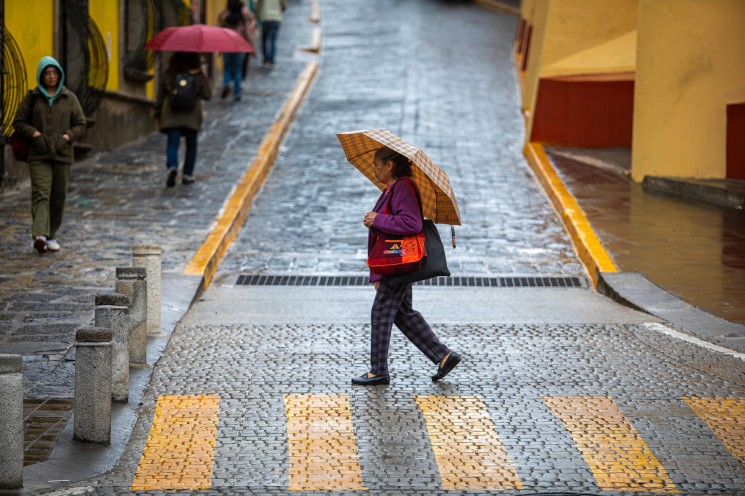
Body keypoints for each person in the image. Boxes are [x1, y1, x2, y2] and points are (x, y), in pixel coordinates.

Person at [353, 147, 461, 386]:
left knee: (381, 312)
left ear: (389, 165)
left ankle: (378, 371)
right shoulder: (392, 189)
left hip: (398, 263)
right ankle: (443, 356)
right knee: (402, 313)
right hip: (395, 263)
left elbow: (411, 223)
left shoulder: (403, 187)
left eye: (377, 165)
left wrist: (376, 219)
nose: (375, 170)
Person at [12, 56, 86, 254]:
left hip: (63, 154)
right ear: (41, 76)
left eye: (54, 73)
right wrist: (35, 134)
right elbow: (19, 122)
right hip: (39, 154)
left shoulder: (69, 98)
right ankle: (40, 235)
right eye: (47, 73)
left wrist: (67, 136)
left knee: (58, 196)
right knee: (41, 193)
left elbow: (81, 124)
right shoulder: (32, 97)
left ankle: (51, 234)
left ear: (59, 75)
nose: (51, 76)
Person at [155, 51, 212, 187]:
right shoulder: (198, 76)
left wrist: (158, 113)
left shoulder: (169, 73)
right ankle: (187, 174)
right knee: (191, 145)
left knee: (172, 143)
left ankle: (172, 166)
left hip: (172, 115)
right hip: (192, 117)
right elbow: (207, 95)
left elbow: (161, 95)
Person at [219, 0, 256, 101]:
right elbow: (248, 35)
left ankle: (227, 84)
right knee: (237, 69)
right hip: (240, 47)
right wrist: (252, 49)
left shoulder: (225, 19)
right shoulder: (242, 20)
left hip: (227, 46)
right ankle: (237, 93)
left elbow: (219, 27)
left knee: (227, 67)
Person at [254, 0, 288, 69]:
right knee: (273, 40)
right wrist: (279, 10)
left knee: (264, 40)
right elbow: (284, 6)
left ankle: (265, 59)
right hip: (276, 18)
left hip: (265, 18)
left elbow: (257, 6)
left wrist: (257, 15)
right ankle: (272, 60)